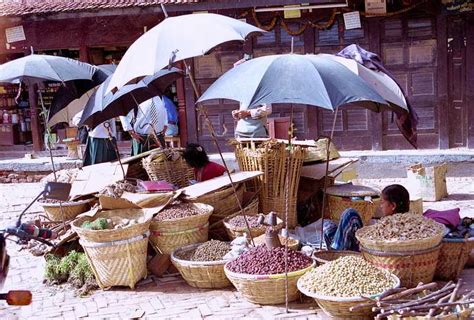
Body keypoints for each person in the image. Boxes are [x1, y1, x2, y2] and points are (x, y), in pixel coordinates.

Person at [323, 184, 410, 251]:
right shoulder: (388, 222)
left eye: (382, 202)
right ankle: (336, 246)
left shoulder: (395, 227)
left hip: (365, 253)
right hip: (366, 247)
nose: (380, 206)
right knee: (328, 226)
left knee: (350, 215)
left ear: (393, 206)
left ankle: (337, 252)